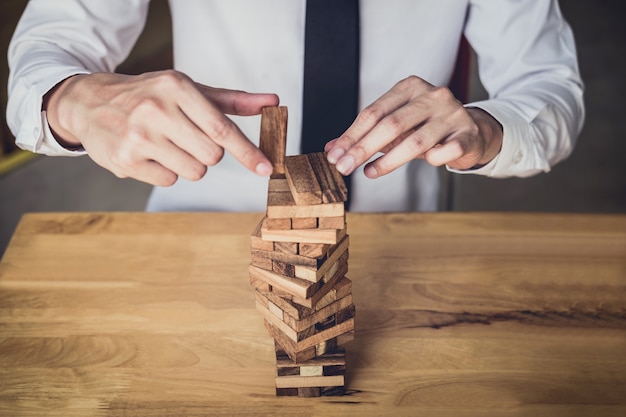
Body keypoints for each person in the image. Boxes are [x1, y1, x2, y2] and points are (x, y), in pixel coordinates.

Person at [6, 0, 584, 212]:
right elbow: (50, 48)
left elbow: (551, 88)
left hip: (404, 241)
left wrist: (485, 128)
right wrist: (72, 100)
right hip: (196, 232)